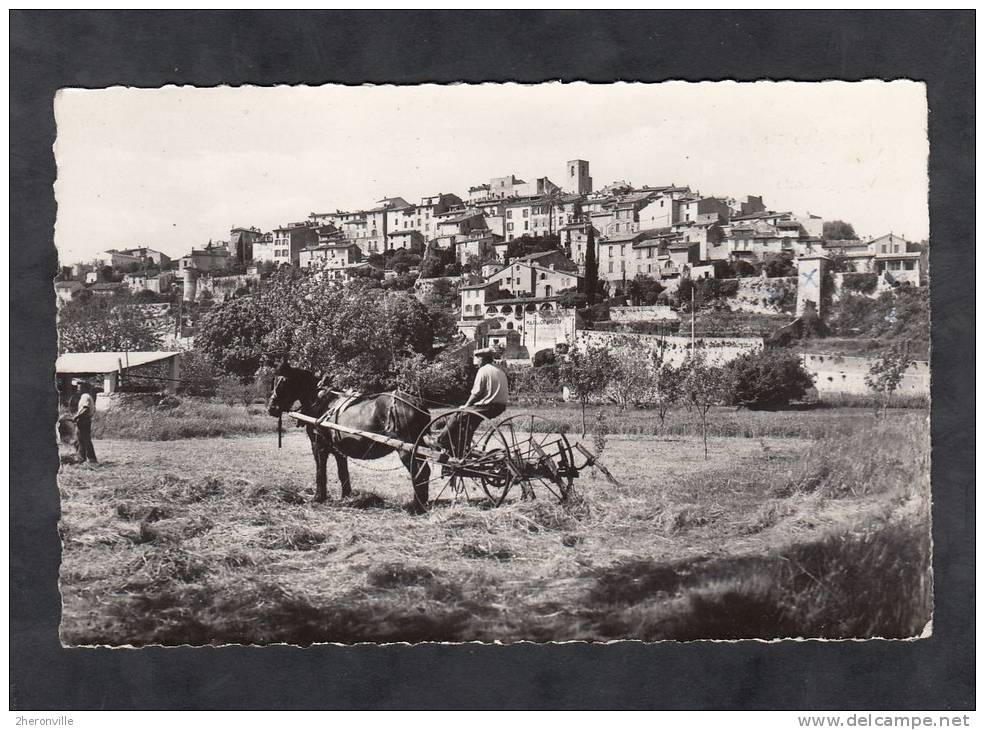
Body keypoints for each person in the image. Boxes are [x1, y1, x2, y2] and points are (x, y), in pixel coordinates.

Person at [432, 347, 509, 455]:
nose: (476, 362)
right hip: (500, 406)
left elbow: (476, 393)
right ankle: (464, 445)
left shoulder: (483, 370)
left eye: (478, 359)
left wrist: (466, 405)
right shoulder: (499, 370)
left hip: (488, 406)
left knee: (457, 415)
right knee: (470, 422)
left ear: (483, 359)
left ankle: (440, 441)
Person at [71, 378, 98, 464]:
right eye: (78, 387)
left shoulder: (85, 396)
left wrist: (76, 416)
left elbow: (85, 408)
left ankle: (90, 459)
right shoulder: (85, 396)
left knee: (84, 440)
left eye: (80, 387)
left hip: (84, 421)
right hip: (83, 420)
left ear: (85, 388)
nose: (78, 389)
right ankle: (82, 458)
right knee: (81, 440)